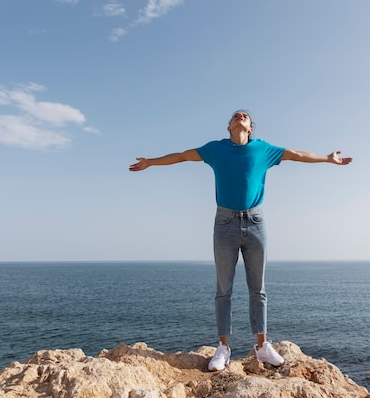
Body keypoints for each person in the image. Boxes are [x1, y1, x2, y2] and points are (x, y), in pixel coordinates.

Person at [129, 110, 352, 371]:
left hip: (256, 223)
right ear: (229, 127)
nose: (240, 115)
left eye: (245, 115)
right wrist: (151, 162)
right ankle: (223, 348)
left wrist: (328, 158)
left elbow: (298, 155)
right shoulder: (215, 149)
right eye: (236, 115)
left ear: (250, 128)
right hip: (224, 223)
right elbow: (181, 156)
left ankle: (262, 347)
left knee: (258, 288)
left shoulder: (263, 149)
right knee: (224, 290)